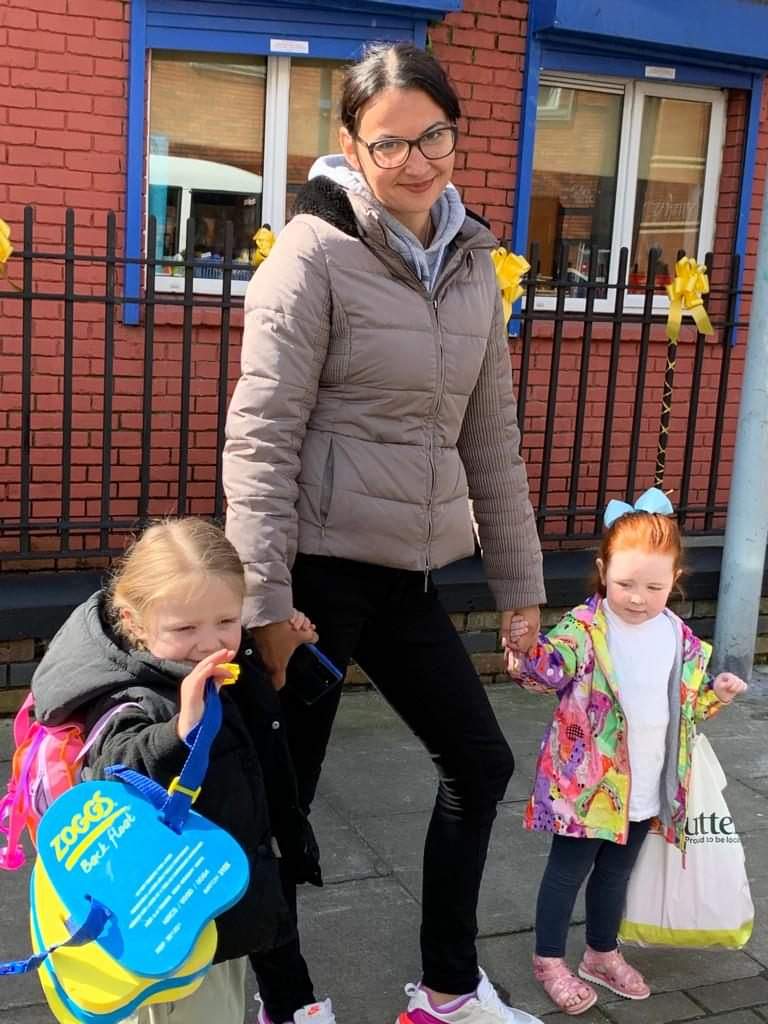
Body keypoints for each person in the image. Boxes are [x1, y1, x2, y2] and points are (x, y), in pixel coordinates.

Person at [223, 40, 546, 1024]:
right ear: (352, 146)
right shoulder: (310, 257)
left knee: (481, 763)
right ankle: (290, 1004)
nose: (417, 158)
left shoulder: (474, 268)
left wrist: (520, 586)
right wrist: (265, 605)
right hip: (312, 584)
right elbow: (260, 438)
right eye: (391, 140)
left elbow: (491, 437)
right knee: (281, 805)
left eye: (434, 134)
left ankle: (448, 989)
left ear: (456, 129)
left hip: (406, 573)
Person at [29, 518, 336, 1024]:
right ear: (134, 621)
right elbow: (113, 766)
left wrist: (285, 658)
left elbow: (255, 728)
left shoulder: (213, 667)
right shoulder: (134, 692)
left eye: (225, 621)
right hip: (170, 920)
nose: (209, 641)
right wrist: (178, 732)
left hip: (215, 898)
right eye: (185, 628)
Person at [504, 489, 748, 1016]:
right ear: (602, 570)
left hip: (649, 785)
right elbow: (549, 670)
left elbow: (686, 712)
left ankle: (600, 952)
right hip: (588, 788)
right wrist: (526, 650)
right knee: (566, 873)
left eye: (654, 586)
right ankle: (548, 959)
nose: (638, 597)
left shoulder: (678, 637)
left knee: (616, 875)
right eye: (625, 583)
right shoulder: (585, 628)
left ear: (676, 579)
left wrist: (717, 695)